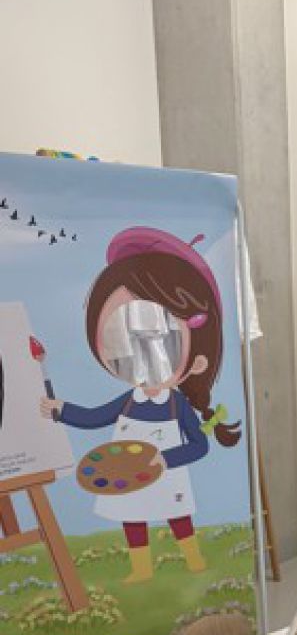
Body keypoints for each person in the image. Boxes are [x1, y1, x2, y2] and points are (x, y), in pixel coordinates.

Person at [39, 227, 240, 583]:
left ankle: (194, 560)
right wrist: (61, 409)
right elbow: (95, 417)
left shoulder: (177, 406)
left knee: (178, 516)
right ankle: (141, 569)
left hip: (166, 474)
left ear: (197, 362)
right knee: (132, 516)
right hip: (127, 473)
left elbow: (199, 445)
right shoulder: (129, 400)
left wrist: (165, 459)